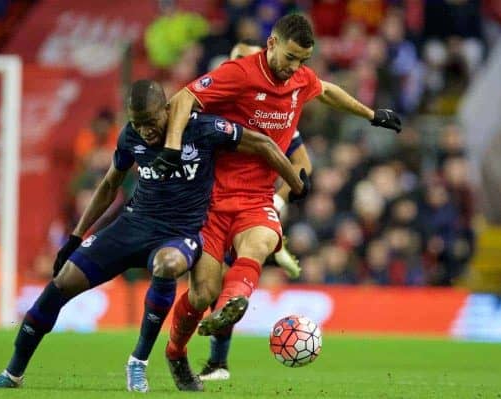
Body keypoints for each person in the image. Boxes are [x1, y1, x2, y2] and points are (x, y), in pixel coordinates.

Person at [0, 79, 305, 392]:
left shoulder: (202, 128)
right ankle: (12, 373)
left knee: (167, 264)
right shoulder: (130, 136)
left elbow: (262, 143)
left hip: (180, 232)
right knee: (62, 281)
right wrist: (75, 237)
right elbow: (108, 186)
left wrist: (296, 182)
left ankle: (138, 362)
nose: (144, 129)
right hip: (132, 225)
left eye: (149, 120)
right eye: (137, 121)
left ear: (166, 110)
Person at [151, 14, 401, 391]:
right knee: (202, 293)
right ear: (271, 44)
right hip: (211, 198)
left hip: (255, 199)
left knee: (263, 240)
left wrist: (371, 114)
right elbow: (185, 96)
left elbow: (328, 90)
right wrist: (171, 146)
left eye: (303, 60)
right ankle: (176, 352)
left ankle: (233, 305)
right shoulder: (238, 74)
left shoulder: (299, 78)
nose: (295, 67)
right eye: (290, 57)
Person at [199, 39, 313, 381]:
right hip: (209, 204)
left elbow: (303, 164)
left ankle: (217, 363)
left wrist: (277, 203)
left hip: (247, 206)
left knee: (225, 285)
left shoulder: (276, 116)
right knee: (209, 287)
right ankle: (212, 361)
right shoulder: (210, 107)